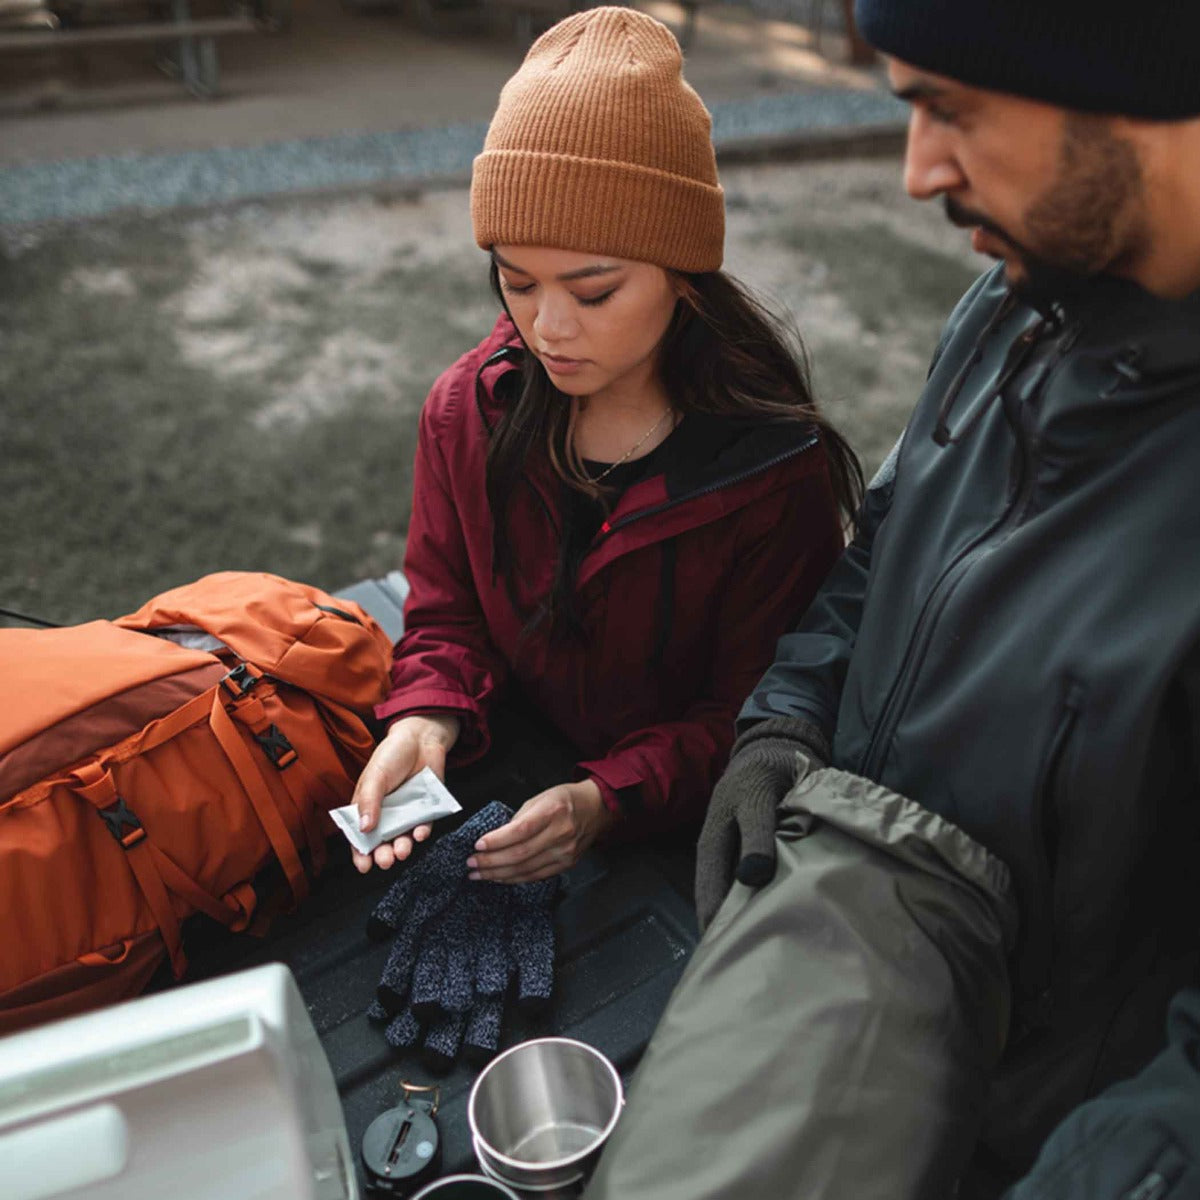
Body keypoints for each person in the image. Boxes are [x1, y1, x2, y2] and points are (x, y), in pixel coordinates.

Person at [691, 0, 1200, 1194]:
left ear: (1139, 92)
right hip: (872, 1026)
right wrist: (785, 721)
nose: (917, 171)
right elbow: (893, 545)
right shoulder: (1019, 298)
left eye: (951, 109)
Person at [350, 6, 862, 885]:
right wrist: (425, 721)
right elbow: (446, 613)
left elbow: (762, 710)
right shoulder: (463, 414)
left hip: (695, 847)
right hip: (505, 781)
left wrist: (605, 798)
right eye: (515, 281)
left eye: (594, 291)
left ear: (682, 269)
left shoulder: (771, 470)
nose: (548, 328)